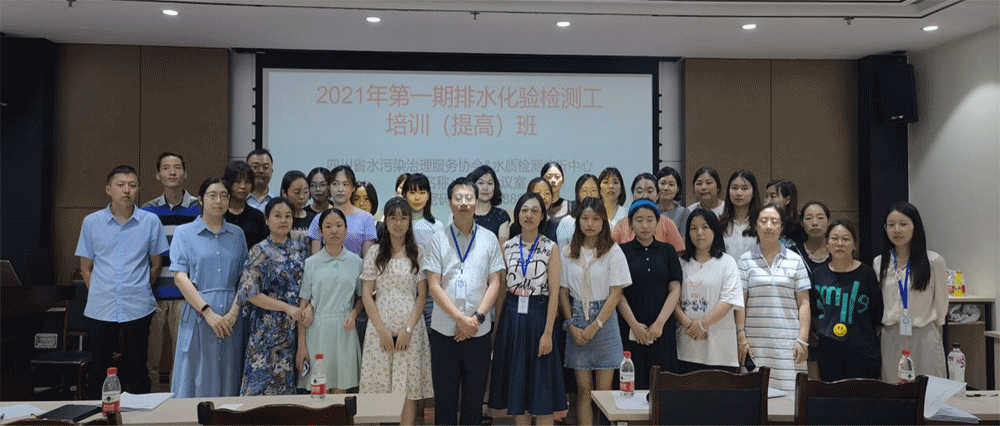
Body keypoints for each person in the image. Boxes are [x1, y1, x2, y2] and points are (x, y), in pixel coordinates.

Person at [77, 165, 168, 397]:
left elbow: (156, 264)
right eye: (120, 185)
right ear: (108, 189)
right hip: (101, 306)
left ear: (138, 189)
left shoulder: (150, 221)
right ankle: (97, 413)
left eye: (132, 185)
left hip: (137, 304)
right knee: (99, 368)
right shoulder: (91, 222)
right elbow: (86, 268)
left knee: (137, 368)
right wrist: (99, 291)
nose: (126, 190)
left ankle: (139, 413)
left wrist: (141, 287)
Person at [423, 177, 505, 426]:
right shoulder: (438, 239)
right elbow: (433, 285)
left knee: (473, 402)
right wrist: (460, 319)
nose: (464, 203)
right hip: (444, 333)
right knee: (445, 403)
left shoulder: (489, 238)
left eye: (469, 198)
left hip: (478, 332)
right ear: (450, 202)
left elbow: (495, 283)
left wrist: (476, 319)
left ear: (476, 202)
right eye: (458, 198)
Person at [488, 193, 567, 425]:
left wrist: (548, 332)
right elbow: (501, 292)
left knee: (542, 391)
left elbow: (554, 294)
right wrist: (497, 329)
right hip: (511, 318)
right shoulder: (507, 246)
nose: (529, 215)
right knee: (518, 390)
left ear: (542, 216)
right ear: (517, 214)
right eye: (524, 210)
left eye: (534, 211)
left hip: (539, 317)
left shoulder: (550, 247)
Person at [169, 177, 248, 397]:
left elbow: (246, 278)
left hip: (232, 316)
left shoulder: (237, 234)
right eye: (212, 195)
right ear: (201, 199)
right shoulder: (184, 233)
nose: (219, 201)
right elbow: (180, 277)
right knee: (197, 375)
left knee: (230, 373)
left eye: (224, 196)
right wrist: (207, 312)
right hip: (199, 313)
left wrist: (234, 312)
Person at [359, 197, 434, 425]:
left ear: (409, 221)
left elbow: (422, 295)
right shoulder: (374, 253)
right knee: (378, 385)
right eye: (393, 218)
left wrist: (408, 329)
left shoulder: (418, 253)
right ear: (386, 220)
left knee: (407, 388)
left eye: (403, 218)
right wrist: (381, 329)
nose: (398, 223)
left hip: (410, 329)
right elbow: (366, 294)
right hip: (379, 328)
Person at [560, 197, 630, 426]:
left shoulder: (613, 251)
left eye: (595, 219)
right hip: (577, 318)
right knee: (583, 392)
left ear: (604, 222)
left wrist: (596, 324)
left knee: (604, 393)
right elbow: (562, 292)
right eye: (585, 218)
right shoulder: (567, 252)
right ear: (578, 220)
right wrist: (571, 325)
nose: (590, 224)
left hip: (605, 320)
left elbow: (616, 293)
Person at [141, 152, 200, 391]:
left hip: (185, 294)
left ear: (185, 173)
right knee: (151, 358)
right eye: (166, 168)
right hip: (154, 293)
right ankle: (152, 400)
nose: (172, 172)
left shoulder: (198, 207)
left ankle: (178, 401)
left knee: (182, 357)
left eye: (177, 167)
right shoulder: (147, 210)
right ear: (158, 175)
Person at [736, 203, 811, 392]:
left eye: (774, 221)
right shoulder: (744, 261)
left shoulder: (796, 260)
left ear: (781, 227)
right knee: (755, 398)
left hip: (788, 344)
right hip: (754, 344)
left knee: (790, 400)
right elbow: (740, 303)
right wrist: (741, 336)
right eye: (763, 221)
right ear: (756, 225)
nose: (768, 226)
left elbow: (804, 303)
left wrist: (802, 339)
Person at [239, 197, 310, 395]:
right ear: (267, 219)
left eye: (288, 216)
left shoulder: (301, 249)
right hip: (266, 331)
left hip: (296, 330)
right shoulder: (259, 251)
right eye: (277, 216)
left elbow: (309, 288)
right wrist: (287, 308)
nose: (283, 220)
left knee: (292, 393)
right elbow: (250, 293)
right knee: (260, 391)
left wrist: (306, 308)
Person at [874, 202, 948, 381]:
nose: (896, 230)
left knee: (930, 387)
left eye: (903, 224)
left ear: (915, 226)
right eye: (891, 225)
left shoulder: (933, 261)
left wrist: (937, 331)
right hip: (891, 334)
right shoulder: (879, 262)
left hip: (924, 334)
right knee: (894, 388)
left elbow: (941, 303)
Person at [297, 208, 364, 393]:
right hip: (316, 331)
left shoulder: (357, 262)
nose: (334, 230)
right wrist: (301, 344)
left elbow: (361, 297)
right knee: (318, 393)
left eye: (339, 225)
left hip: (345, 331)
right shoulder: (311, 263)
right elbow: (303, 304)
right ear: (320, 231)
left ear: (346, 229)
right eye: (328, 226)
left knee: (340, 394)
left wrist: (353, 313)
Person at [616, 200, 682, 387]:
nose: (644, 225)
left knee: (662, 385)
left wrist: (659, 324)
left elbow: (675, 289)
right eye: (639, 220)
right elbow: (618, 293)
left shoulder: (667, 251)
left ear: (658, 222)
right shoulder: (621, 251)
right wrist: (634, 325)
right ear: (630, 224)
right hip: (630, 329)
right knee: (631, 383)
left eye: (650, 220)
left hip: (662, 329)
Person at [811, 220, 883, 381]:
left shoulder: (867, 274)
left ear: (854, 245)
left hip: (862, 353)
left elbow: (877, 313)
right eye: (834, 238)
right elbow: (814, 313)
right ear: (827, 244)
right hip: (829, 354)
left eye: (846, 239)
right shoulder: (818, 274)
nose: (839, 243)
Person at [674, 209, 743, 373]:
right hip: (687, 347)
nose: (699, 233)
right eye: (693, 228)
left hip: (720, 351)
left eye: (705, 227)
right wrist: (688, 325)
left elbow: (728, 300)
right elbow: (673, 300)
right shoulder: (680, 263)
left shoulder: (727, 262)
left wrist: (701, 325)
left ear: (715, 230)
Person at [307, 165, 377, 258]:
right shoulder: (319, 219)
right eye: (335, 184)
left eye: (345, 184)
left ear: (353, 188)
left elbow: (368, 260)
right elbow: (315, 259)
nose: (340, 189)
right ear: (329, 187)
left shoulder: (366, 218)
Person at [610, 173, 684, 253]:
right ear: (633, 195)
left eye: (650, 191)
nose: (644, 195)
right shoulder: (621, 224)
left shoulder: (668, 223)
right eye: (639, 191)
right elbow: (609, 251)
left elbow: (679, 253)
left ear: (657, 195)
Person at [222, 161, 268, 249]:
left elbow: (262, 247)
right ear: (229, 183)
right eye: (238, 181)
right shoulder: (219, 213)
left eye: (247, 182)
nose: (243, 186)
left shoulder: (257, 216)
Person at [718, 170, 761, 260]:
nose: (738, 193)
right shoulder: (720, 223)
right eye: (734, 188)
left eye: (744, 188)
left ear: (753, 192)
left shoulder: (761, 222)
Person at [469, 165, 511, 245]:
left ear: (495, 187)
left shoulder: (501, 216)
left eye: (490, 183)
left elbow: (502, 248)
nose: (485, 188)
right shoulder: (464, 213)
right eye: (480, 183)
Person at [555, 174, 600, 248]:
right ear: (578, 194)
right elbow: (561, 252)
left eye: (593, 190)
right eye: (584, 190)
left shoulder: (605, 221)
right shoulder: (566, 223)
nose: (589, 194)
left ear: (599, 194)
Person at [510, 177, 559, 242]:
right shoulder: (517, 227)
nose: (543, 197)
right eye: (538, 193)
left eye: (547, 193)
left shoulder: (557, 227)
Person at [794, 201, 832, 277]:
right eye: (808, 218)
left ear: (829, 222)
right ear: (802, 223)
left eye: (820, 218)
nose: (815, 223)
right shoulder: (794, 253)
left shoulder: (837, 251)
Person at [766, 179, 807, 247]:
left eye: (772, 196)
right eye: (767, 196)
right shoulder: (764, 222)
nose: (767, 200)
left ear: (787, 200)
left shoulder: (800, 224)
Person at [281, 170, 316, 247]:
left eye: (306, 192)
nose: (302, 197)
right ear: (284, 193)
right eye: (297, 192)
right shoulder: (280, 219)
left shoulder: (314, 219)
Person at [655, 166, 690, 237]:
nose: (666, 188)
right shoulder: (650, 210)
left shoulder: (684, 213)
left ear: (678, 189)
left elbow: (683, 240)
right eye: (662, 183)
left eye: (671, 184)